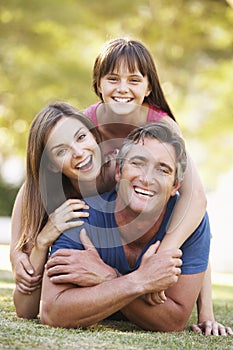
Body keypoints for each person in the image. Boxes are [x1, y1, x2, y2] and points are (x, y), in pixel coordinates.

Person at [40, 122, 211, 332]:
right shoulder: (82, 217)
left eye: (163, 170)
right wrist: (139, 281)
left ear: (175, 186)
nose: (147, 179)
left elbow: (174, 320)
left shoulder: (188, 223)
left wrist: (108, 277)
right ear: (119, 171)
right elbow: (52, 310)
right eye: (138, 163)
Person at [12, 101, 116, 319]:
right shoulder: (36, 196)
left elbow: (189, 225)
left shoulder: (124, 173)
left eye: (81, 137)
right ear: (51, 165)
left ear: (93, 134)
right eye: (61, 151)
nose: (78, 152)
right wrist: (41, 243)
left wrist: (205, 314)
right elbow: (25, 309)